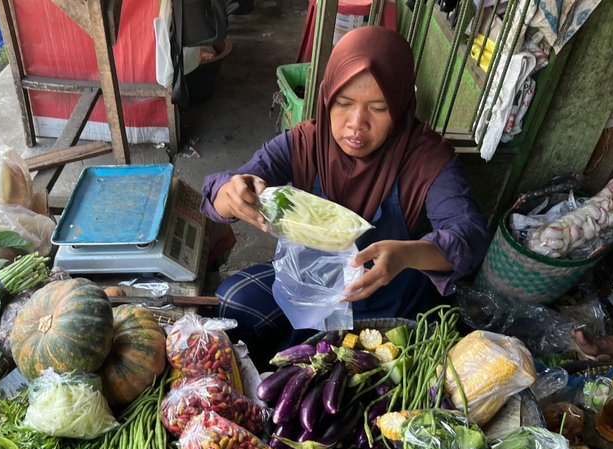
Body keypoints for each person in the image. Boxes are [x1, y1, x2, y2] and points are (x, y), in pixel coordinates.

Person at [199, 26, 490, 365]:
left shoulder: (428, 159)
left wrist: (408, 254)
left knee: (359, 385)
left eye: (378, 109)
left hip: (387, 300)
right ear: (327, 96)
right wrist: (229, 192)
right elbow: (227, 188)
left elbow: (468, 236)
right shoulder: (307, 142)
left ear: (399, 107)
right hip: (314, 283)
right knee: (232, 303)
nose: (356, 124)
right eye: (344, 102)